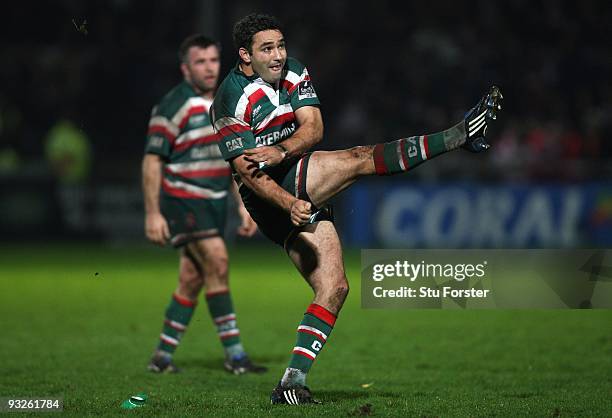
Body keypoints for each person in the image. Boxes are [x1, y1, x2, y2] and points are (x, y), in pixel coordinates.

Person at [210, 13, 503, 404]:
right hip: (269, 194)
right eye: (268, 49)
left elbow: (313, 129)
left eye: (281, 45)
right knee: (359, 158)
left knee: (334, 288)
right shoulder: (230, 99)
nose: (279, 55)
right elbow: (248, 175)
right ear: (245, 55)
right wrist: (289, 202)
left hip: (294, 171)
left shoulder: (293, 72)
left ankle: (291, 384)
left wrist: (281, 150)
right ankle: (456, 136)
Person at [142, 34, 266, 375]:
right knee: (218, 261)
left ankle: (161, 358)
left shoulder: (227, 103)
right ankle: (236, 356)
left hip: (214, 202)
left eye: (213, 60)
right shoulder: (173, 106)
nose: (209, 68)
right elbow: (153, 160)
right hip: (183, 200)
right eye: (200, 62)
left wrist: (243, 205)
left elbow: (234, 159)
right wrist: (153, 213)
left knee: (192, 279)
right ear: (185, 69)